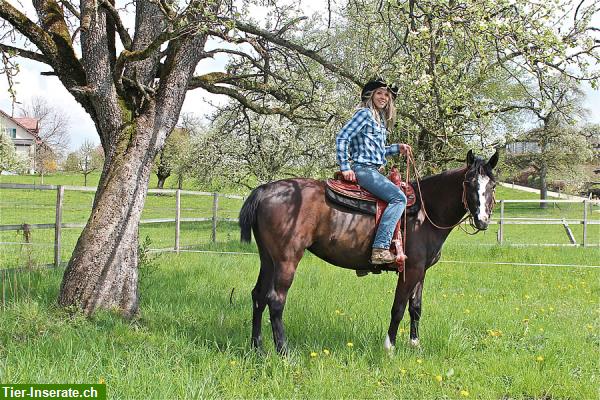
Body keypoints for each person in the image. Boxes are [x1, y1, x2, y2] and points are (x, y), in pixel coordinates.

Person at [336, 77, 410, 265]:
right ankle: (380, 248)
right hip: (364, 170)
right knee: (399, 198)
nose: (383, 97)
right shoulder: (365, 114)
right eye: (379, 93)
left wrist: (397, 147)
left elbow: (377, 151)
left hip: (373, 170)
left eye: (386, 95)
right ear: (371, 95)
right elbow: (342, 137)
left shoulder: (380, 121)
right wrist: (345, 167)